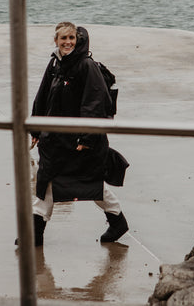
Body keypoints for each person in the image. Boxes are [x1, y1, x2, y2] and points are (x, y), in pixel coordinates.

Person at [28, 22, 128, 246]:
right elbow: (42, 96)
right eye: (63, 38)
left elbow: (95, 103)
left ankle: (117, 220)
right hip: (56, 139)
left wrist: (87, 137)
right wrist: (35, 128)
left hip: (80, 141)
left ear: (78, 40)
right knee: (48, 179)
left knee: (89, 182)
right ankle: (35, 233)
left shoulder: (86, 66)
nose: (68, 43)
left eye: (72, 38)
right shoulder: (55, 63)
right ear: (56, 40)